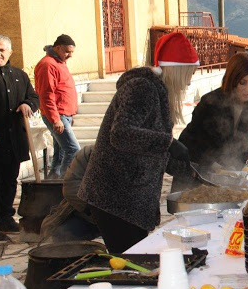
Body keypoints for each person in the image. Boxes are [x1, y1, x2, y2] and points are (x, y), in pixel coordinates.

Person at [78, 32, 197, 253]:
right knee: (131, 264)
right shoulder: (142, 88)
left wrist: (191, 171)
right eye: (188, 73)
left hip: (129, 198)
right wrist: (169, 142)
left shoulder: (157, 92)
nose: (189, 81)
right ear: (176, 69)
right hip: (115, 197)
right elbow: (121, 134)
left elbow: (148, 146)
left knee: (134, 261)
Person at [174, 53, 248, 192]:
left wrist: (236, 169)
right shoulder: (210, 103)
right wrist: (215, 166)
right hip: (194, 178)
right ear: (232, 80)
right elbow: (192, 144)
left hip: (225, 180)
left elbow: (243, 144)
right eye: (242, 83)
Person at [0, 35, 39, 241]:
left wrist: (28, 104)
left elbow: (33, 97)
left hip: (14, 140)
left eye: (1, 50)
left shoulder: (19, 75)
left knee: (10, 181)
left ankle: (6, 218)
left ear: (10, 52)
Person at [34, 34, 80, 178]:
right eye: (67, 51)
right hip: (57, 115)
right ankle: (66, 184)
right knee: (73, 150)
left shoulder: (59, 62)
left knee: (60, 153)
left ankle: (53, 182)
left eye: (72, 52)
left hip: (64, 115)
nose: (70, 55)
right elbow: (46, 95)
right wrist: (56, 119)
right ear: (58, 47)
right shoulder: (48, 64)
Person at [39, 145, 100, 242]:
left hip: (122, 218)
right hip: (89, 213)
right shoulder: (87, 153)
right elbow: (71, 188)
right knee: (61, 234)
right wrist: (93, 210)